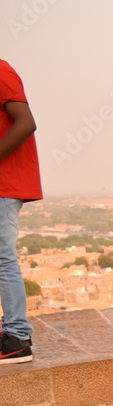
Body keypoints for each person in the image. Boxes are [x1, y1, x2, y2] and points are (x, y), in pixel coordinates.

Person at [0, 58, 42, 364]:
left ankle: (17, 337)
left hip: (4, 184)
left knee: (2, 259)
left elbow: (26, 123)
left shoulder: (1, 70)